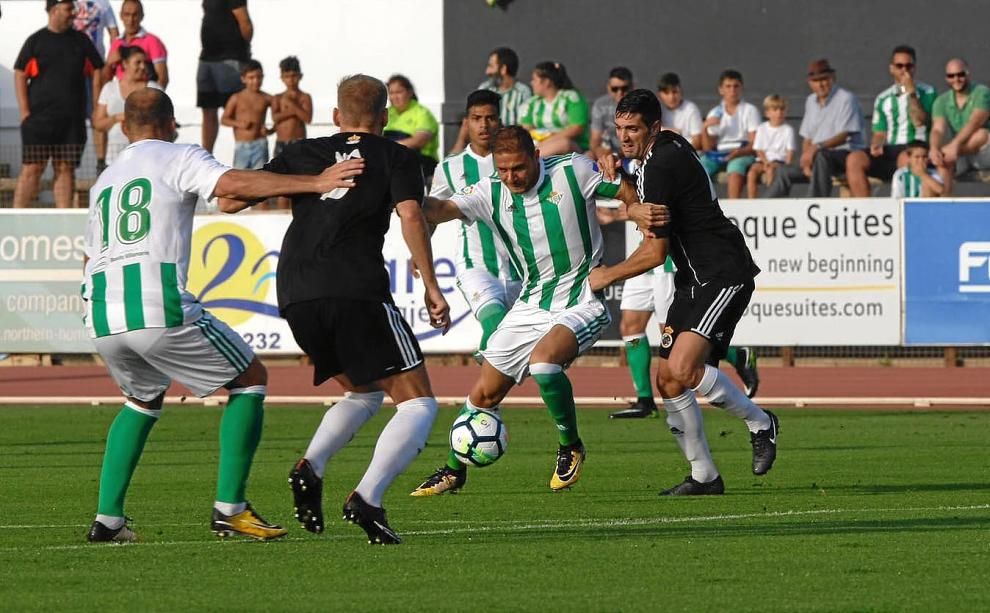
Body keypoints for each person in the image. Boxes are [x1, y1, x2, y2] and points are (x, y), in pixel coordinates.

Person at [84, 88, 364, 543]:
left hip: (100, 312)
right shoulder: (176, 155)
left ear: (123, 127)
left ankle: (108, 520)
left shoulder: (104, 180)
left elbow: (89, 254)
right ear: (170, 122)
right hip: (157, 305)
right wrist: (316, 182)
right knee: (250, 378)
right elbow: (231, 185)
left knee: (142, 400)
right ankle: (230, 508)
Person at [409, 125, 667, 496]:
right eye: (504, 169)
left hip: (582, 296)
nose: (511, 177)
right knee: (483, 395)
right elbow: (439, 209)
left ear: (534, 156)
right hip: (531, 303)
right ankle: (454, 470)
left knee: (544, 363)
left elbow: (623, 187)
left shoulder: (572, 171)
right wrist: (399, 193)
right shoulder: (490, 190)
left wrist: (635, 207)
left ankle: (571, 445)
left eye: (518, 168)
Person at [258, 75, 450, 545]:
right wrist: (431, 284)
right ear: (385, 119)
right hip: (354, 289)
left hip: (295, 293)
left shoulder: (304, 150)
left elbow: (234, 194)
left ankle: (312, 465)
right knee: (418, 402)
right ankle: (368, 497)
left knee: (363, 393)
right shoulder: (397, 155)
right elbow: (410, 215)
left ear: (337, 117)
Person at [604, 89, 779, 495]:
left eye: (633, 128)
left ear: (654, 127)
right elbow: (646, 206)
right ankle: (704, 476)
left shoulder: (659, 163)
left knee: (682, 370)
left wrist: (604, 276)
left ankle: (761, 422)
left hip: (721, 273)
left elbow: (654, 250)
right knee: (668, 379)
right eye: (620, 129)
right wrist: (625, 188)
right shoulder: (661, 152)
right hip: (692, 278)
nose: (625, 136)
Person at [428, 90, 520, 360]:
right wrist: (421, 245)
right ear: (466, 122)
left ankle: (484, 397)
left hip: (521, 267)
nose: (484, 125)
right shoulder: (449, 168)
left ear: (499, 121)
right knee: (494, 322)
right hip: (476, 265)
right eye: (477, 118)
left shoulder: (514, 162)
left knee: (521, 354)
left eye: (490, 118)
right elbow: (433, 210)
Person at [13, 0, 104, 209]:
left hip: (72, 121)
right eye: (68, 9)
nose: (73, 13)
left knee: (65, 168)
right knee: (32, 169)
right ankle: (15, 219)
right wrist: (24, 111)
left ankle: (64, 220)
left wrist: (96, 106)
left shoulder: (81, 40)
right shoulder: (35, 41)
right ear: (54, 10)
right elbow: (19, 73)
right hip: (38, 121)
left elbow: (98, 69)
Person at [846, 45, 937, 197]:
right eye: (899, 66)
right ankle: (865, 212)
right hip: (891, 147)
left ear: (915, 68)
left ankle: (907, 211)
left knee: (905, 159)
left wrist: (912, 94)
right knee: (854, 159)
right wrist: (877, 143)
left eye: (909, 66)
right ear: (892, 69)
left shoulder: (928, 92)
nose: (904, 70)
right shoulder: (883, 98)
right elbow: (879, 132)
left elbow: (919, 121)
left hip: (916, 146)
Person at [799, 59, 866, 198]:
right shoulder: (810, 101)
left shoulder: (846, 98)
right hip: (818, 156)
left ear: (833, 78)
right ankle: (764, 213)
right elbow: (807, 138)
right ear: (810, 83)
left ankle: (815, 205)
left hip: (845, 154)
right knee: (783, 173)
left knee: (822, 157)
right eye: (816, 81)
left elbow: (844, 135)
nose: (821, 84)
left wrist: (816, 148)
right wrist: (806, 159)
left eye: (824, 79)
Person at [450, 46, 533, 154]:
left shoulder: (522, 92)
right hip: (485, 135)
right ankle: (456, 153)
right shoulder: (486, 87)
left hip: (511, 139)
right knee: (470, 119)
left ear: (503, 69)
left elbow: (525, 124)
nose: (487, 71)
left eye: (491, 66)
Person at [929, 58, 990, 195]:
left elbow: (976, 122)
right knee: (943, 160)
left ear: (968, 74)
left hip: (984, 152)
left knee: (981, 134)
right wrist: (933, 149)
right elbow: (937, 129)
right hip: (960, 152)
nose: (956, 79)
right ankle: (945, 204)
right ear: (946, 78)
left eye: (960, 74)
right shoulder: (941, 100)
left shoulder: (982, 92)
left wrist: (954, 145)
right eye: (951, 76)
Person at [198, 0, 252, 153]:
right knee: (208, 108)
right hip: (207, 58)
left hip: (230, 59)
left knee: (235, 109)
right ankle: (206, 156)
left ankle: (245, 153)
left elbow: (245, 23)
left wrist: (241, 52)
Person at [93, 46, 161, 164]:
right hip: (114, 159)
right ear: (125, 64)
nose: (142, 67)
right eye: (137, 62)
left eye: (145, 62)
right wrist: (116, 118)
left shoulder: (154, 89)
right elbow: (98, 124)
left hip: (147, 159)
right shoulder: (110, 88)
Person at [699, 69, 760, 199]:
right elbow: (707, 148)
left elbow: (754, 144)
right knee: (699, 167)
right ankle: (700, 210)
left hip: (742, 152)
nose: (732, 90)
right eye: (728, 86)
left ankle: (733, 210)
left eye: (736, 86)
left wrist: (738, 153)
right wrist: (705, 128)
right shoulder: (714, 112)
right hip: (718, 154)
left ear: (741, 88)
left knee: (735, 167)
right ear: (721, 90)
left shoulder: (750, 110)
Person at [73, 0, 117, 172]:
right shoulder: (68, 3)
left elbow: (114, 32)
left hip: (96, 68)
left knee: (97, 115)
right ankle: (72, 161)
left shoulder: (103, 4)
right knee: (74, 116)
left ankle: (100, 161)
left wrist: (109, 65)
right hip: (72, 68)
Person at [520, 61, 590, 156]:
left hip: (573, 147)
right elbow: (526, 127)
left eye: (534, 79)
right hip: (538, 145)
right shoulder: (532, 103)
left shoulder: (571, 98)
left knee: (563, 143)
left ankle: (531, 158)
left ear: (546, 82)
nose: (531, 83)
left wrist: (548, 141)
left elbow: (576, 128)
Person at [270, 55, 312, 209]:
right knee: (281, 182)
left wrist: (292, 107)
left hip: (299, 142)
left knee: (299, 180)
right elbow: (275, 117)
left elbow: (307, 118)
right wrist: (292, 110)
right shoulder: (277, 98)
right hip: (281, 142)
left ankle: (295, 213)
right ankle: (281, 214)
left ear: (299, 76)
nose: (291, 80)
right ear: (282, 78)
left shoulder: (305, 97)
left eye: (294, 76)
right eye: (287, 76)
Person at [384, 74, 440, 180]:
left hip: (422, 164)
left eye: (399, 92)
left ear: (410, 92)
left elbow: (419, 141)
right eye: (391, 93)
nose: (395, 97)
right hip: (391, 161)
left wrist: (387, 147)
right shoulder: (387, 113)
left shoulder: (422, 113)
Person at [104, 0, 169, 88]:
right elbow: (106, 81)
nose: (131, 20)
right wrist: (108, 64)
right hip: (120, 96)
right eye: (127, 14)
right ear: (121, 16)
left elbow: (162, 79)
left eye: (135, 15)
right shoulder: (116, 43)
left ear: (142, 16)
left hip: (143, 96)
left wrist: (150, 99)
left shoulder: (153, 41)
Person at [221, 59, 271, 170]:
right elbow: (224, 119)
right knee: (241, 177)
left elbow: (279, 115)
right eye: (251, 77)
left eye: (259, 77)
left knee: (260, 176)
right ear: (243, 79)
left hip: (260, 144)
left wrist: (271, 130)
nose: (256, 81)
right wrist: (239, 124)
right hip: (241, 145)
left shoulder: (266, 98)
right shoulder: (237, 98)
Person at [747, 94, 797, 198]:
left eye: (782, 109)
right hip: (763, 161)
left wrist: (786, 166)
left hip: (779, 163)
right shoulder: (761, 128)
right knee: (752, 173)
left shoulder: (788, 130)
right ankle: (751, 201)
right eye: (775, 109)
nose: (779, 112)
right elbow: (759, 150)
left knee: (770, 172)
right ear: (767, 113)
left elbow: (789, 152)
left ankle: (769, 200)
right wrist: (766, 162)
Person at [589, 67, 633, 159]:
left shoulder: (639, 105)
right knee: (587, 157)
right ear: (608, 87)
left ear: (632, 86)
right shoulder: (600, 105)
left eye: (624, 88)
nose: (620, 92)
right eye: (615, 89)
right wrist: (605, 157)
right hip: (607, 151)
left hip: (632, 151)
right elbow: (595, 141)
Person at [656, 72, 703, 150]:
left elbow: (697, 142)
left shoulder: (691, 109)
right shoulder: (658, 111)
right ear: (660, 94)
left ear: (680, 91)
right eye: (666, 93)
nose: (671, 97)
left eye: (674, 92)